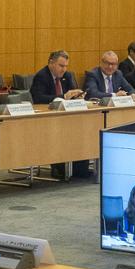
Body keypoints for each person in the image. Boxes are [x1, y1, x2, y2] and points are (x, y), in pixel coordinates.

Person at [31, 50, 89, 180]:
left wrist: (77, 96)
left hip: (67, 116)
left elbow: (71, 95)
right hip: (48, 118)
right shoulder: (41, 76)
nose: (64, 69)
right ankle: (60, 168)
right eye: (61, 66)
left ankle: (80, 168)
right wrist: (63, 96)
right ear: (51, 63)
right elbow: (38, 98)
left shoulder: (67, 76)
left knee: (80, 131)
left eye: (66, 66)